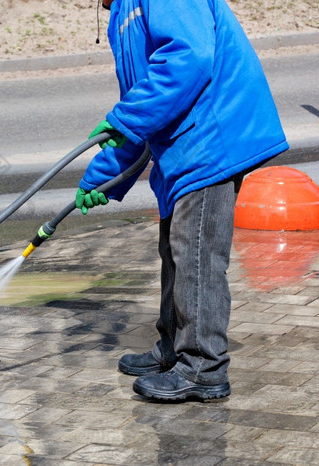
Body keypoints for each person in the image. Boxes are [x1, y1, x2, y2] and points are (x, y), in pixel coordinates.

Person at [75, 0, 289, 401]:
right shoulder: (124, 12)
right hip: (182, 146)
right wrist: (101, 179)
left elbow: (191, 57)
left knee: (196, 253)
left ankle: (203, 367)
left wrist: (125, 120)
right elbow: (144, 107)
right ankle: (174, 348)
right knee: (175, 248)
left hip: (210, 137)